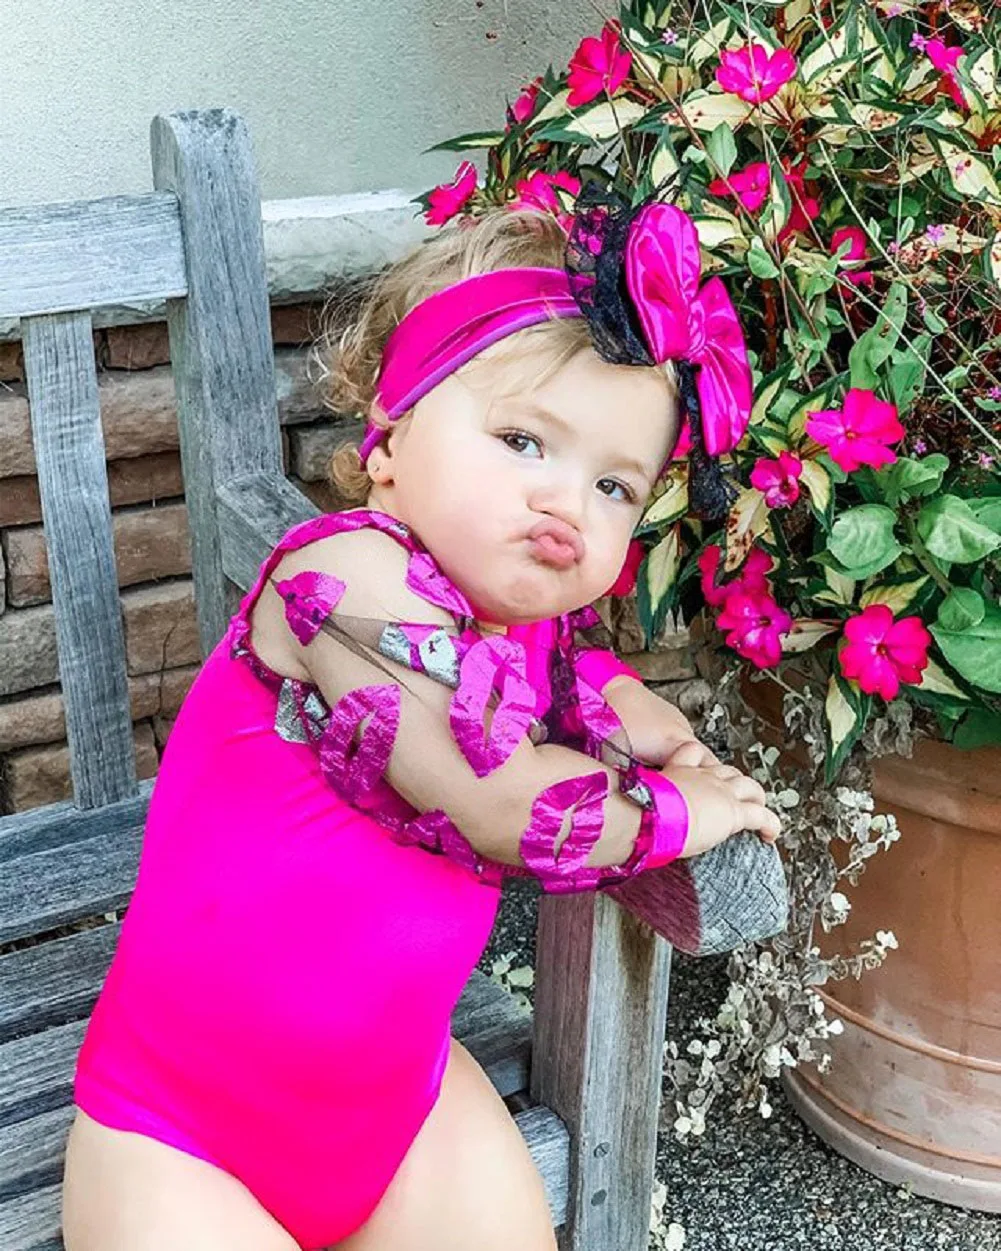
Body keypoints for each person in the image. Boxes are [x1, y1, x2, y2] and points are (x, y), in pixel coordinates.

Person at [61, 194, 781, 1251]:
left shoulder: (512, 624)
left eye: (613, 485)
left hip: (397, 1111)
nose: (565, 503)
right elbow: (506, 805)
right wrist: (679, 809)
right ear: (391, 434)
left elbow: (575, 676)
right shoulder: (343, 581)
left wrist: (644, 720)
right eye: (522, 440)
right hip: (182, 1137)